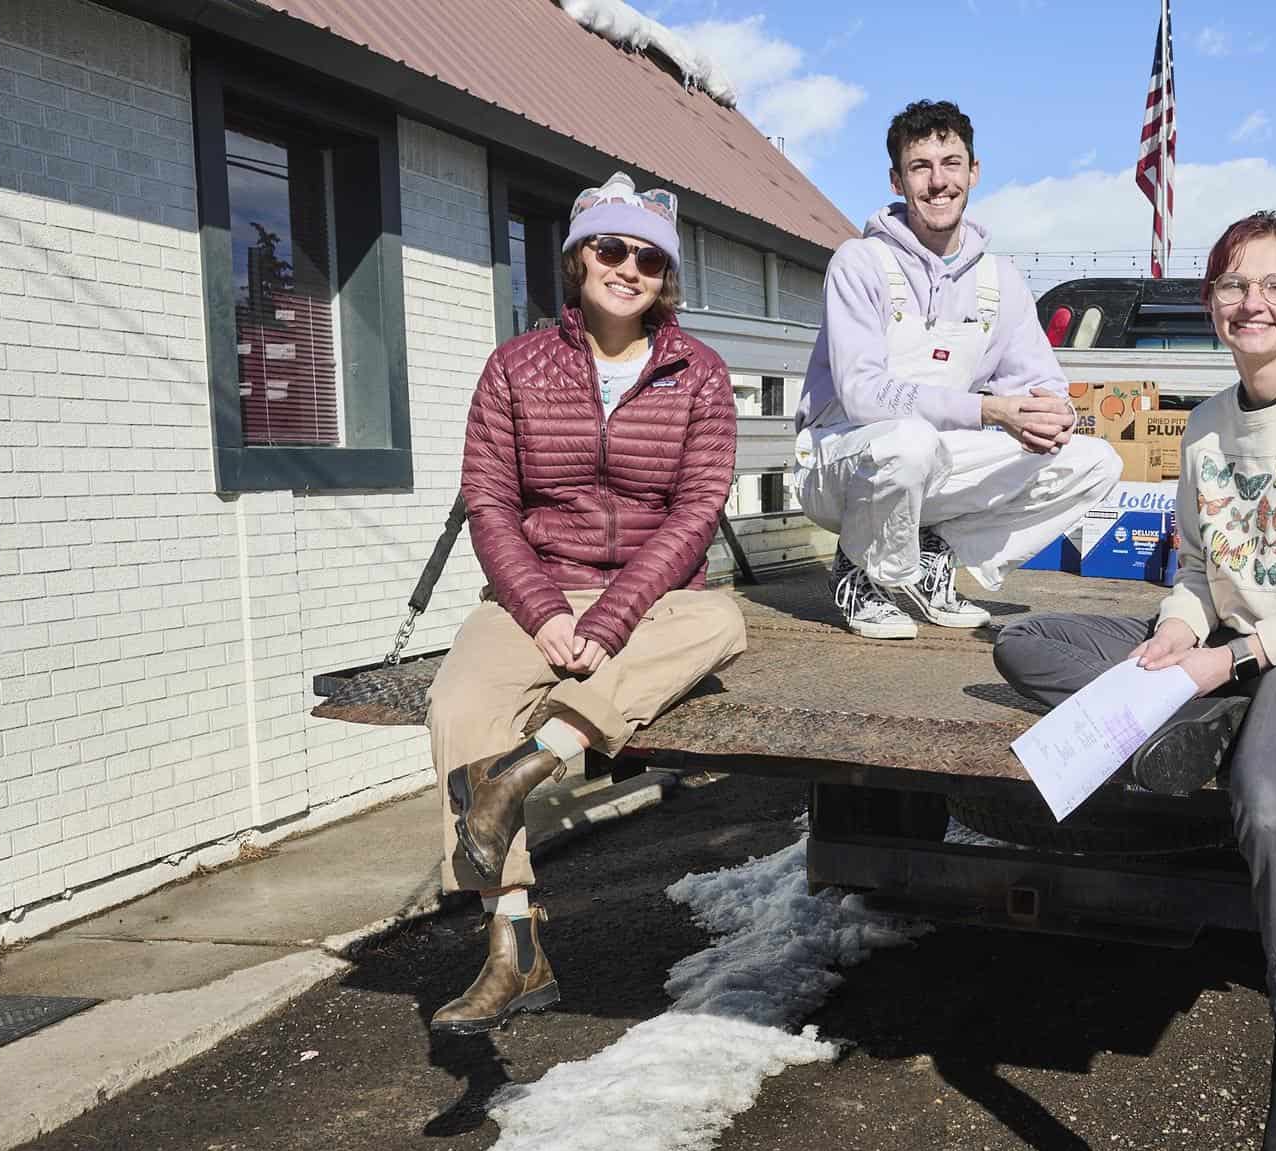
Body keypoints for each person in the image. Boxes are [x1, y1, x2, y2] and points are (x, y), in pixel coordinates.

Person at [992, 211, 1276, 1151]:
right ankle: (1226, 708)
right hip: (1235, 653)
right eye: (1235, 284)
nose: (1254, 302)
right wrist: (1182, 629)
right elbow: (1200, 564)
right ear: (1213, 305)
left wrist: (1238, 651)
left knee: (1272, 792)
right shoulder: (1204, 424)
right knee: (1026, 644)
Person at [425, 173, 748, 1035]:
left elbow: (696, 511)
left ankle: (533, 764)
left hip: (654, 595)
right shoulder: (515, 366)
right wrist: (546, 614)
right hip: (536, 587)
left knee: (722, 622)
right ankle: (512, 947)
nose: (628, 266)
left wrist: (605, 623)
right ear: (578, 260)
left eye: (648, 256)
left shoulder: (700, 373)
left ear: (664, 276)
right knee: (458, 706)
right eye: (612, 248)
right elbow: (489, 503)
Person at [793, 99, 1121, 639]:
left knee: (1095, 462)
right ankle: (859, 569)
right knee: (906, 441)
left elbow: (1042, 380)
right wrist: (990, 410)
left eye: (951, 163)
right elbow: (863, 396)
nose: (938, 181)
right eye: (920, 167)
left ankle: (932, 556)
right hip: (840, 461)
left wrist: (1051, 412)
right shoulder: (860, 262)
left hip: (934, 456)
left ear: (974, 171)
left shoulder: (1001, 280)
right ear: (897, 180)